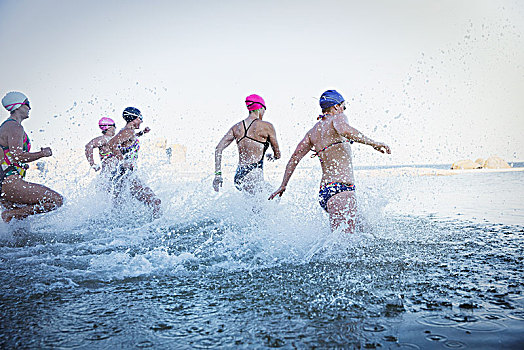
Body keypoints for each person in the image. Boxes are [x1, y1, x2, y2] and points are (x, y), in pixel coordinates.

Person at [269, 90, 391, 233]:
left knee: (365, 230)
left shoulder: (313, 132)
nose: (343, 110)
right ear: (335, 107)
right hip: (341, 189)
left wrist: (283, 185)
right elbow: (345, 130)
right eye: (343, 107)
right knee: (344, 244)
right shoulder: (338, 118)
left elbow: (294, 157)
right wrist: (373, 143)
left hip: (326, 192)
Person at [0, 91, 63, 222]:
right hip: (10, 182)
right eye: (27, 104)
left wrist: (23, 165)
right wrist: (42, 153)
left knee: (18, 231)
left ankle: (12, 217)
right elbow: (18, 156)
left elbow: (9, 157)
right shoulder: (14, 126)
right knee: (56, 200)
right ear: (17, 106)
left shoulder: (6, 126)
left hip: (4, 181)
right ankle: (10, 214)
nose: (29, 108)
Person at [214, 94, 281, 194]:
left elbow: (218, 149)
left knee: (272, 193)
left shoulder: (236, 127)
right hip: (253, 173)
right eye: (264, 110)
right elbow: (278, 154)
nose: (264, 113)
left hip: (239, 175)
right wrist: (273, 157)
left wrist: (218, 175)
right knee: (258, 207)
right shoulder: (267, 126)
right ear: (260, 108)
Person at [106, 107, 161, 216]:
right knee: (155, 202)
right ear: (134, 118)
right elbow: (111, 144)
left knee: (117, 209)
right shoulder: (127, 131)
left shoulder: (128, 132)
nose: (141, 120)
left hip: (123, 175)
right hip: (126, 175)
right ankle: (156, 229)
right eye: (140, 118)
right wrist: (123, 161)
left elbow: (130, 139)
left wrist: (142, 133)